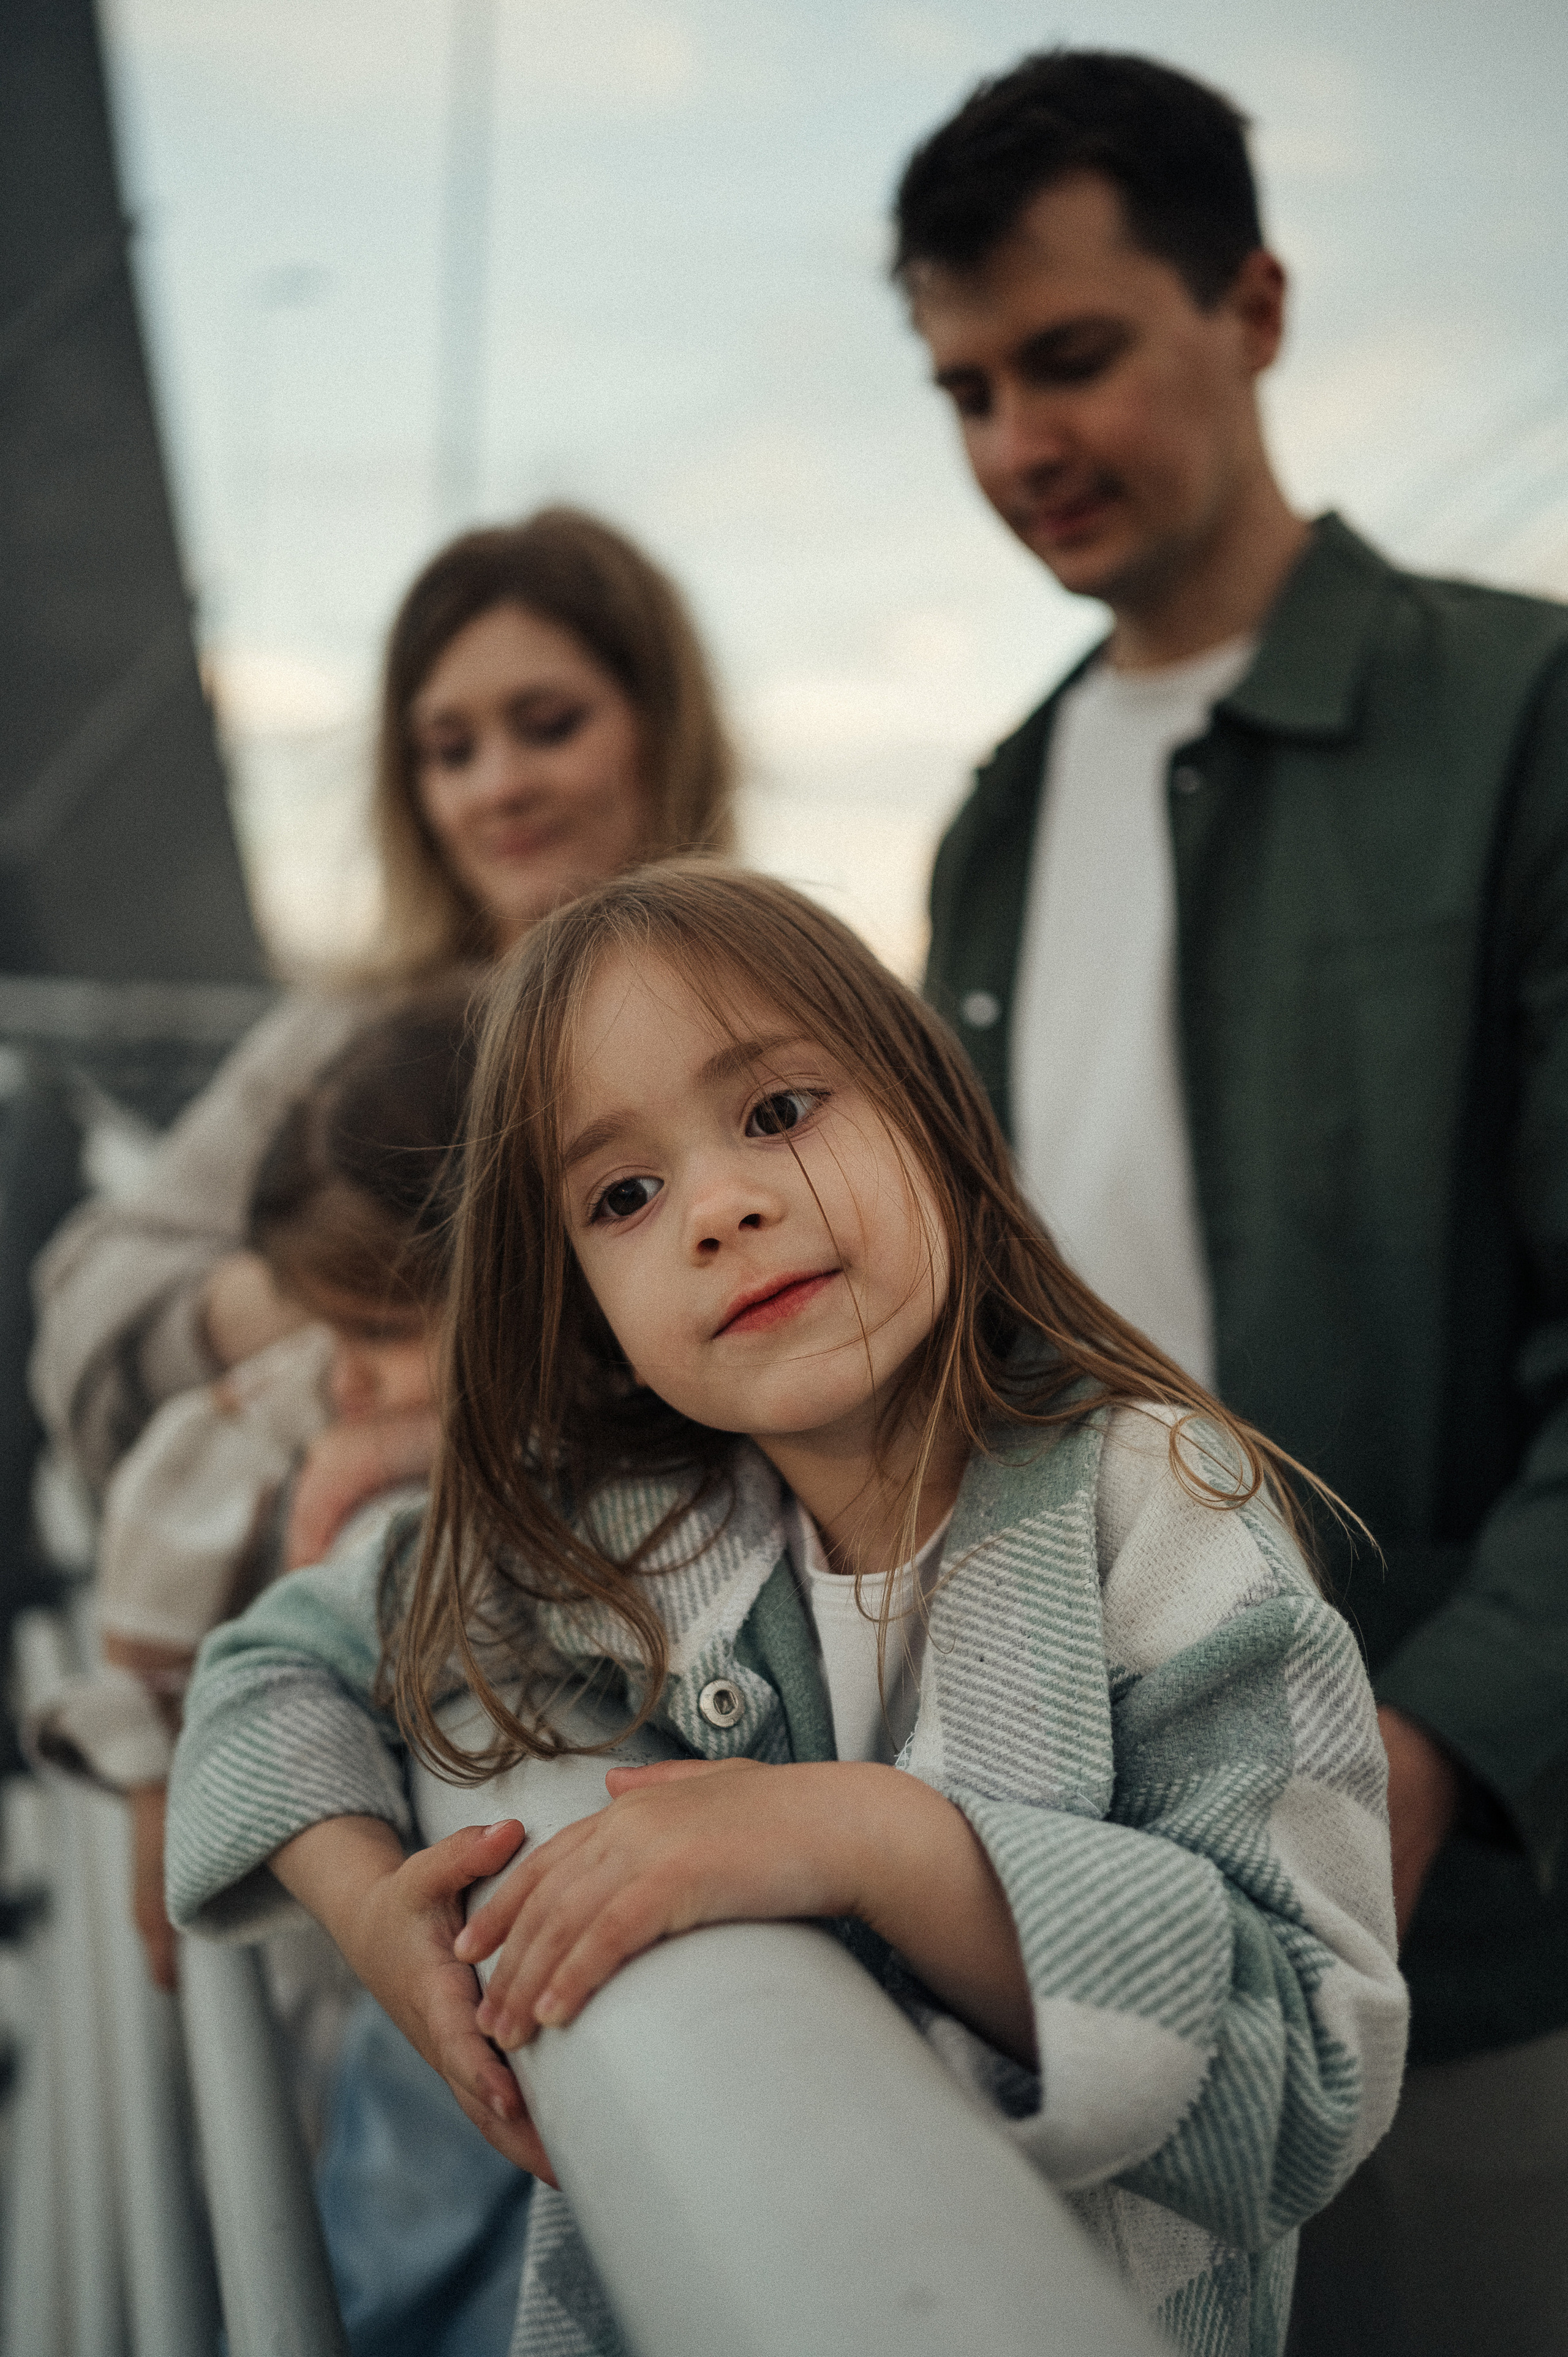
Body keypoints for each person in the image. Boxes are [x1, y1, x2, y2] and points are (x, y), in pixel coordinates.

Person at [164, 865, 1406, 2357]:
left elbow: (1307, 2076)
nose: (720, 1208)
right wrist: (373, 1910)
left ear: (937, 1123)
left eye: (775, 1112)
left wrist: (865, 1839)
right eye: (622, 1195)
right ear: (588, 1311)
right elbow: (273, 1662)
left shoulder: (1165, 1512)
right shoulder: (624, 1526)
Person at [896, 49, 1568, 2356]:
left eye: (1069, 358)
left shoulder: (1531, 719)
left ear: (1257, 303)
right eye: (964, 387)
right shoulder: (987, 824)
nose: (1014, 447)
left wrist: (1416, 1744)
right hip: (1081, 1955)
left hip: (1481, 1963)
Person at [30, 505, 736, 1497]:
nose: (497, 787)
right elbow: (93, 1300)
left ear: (664, 724)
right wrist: (347, 1286)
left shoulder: (768, 1013)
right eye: (450, 750)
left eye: (548, 727)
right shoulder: (350, 1034)